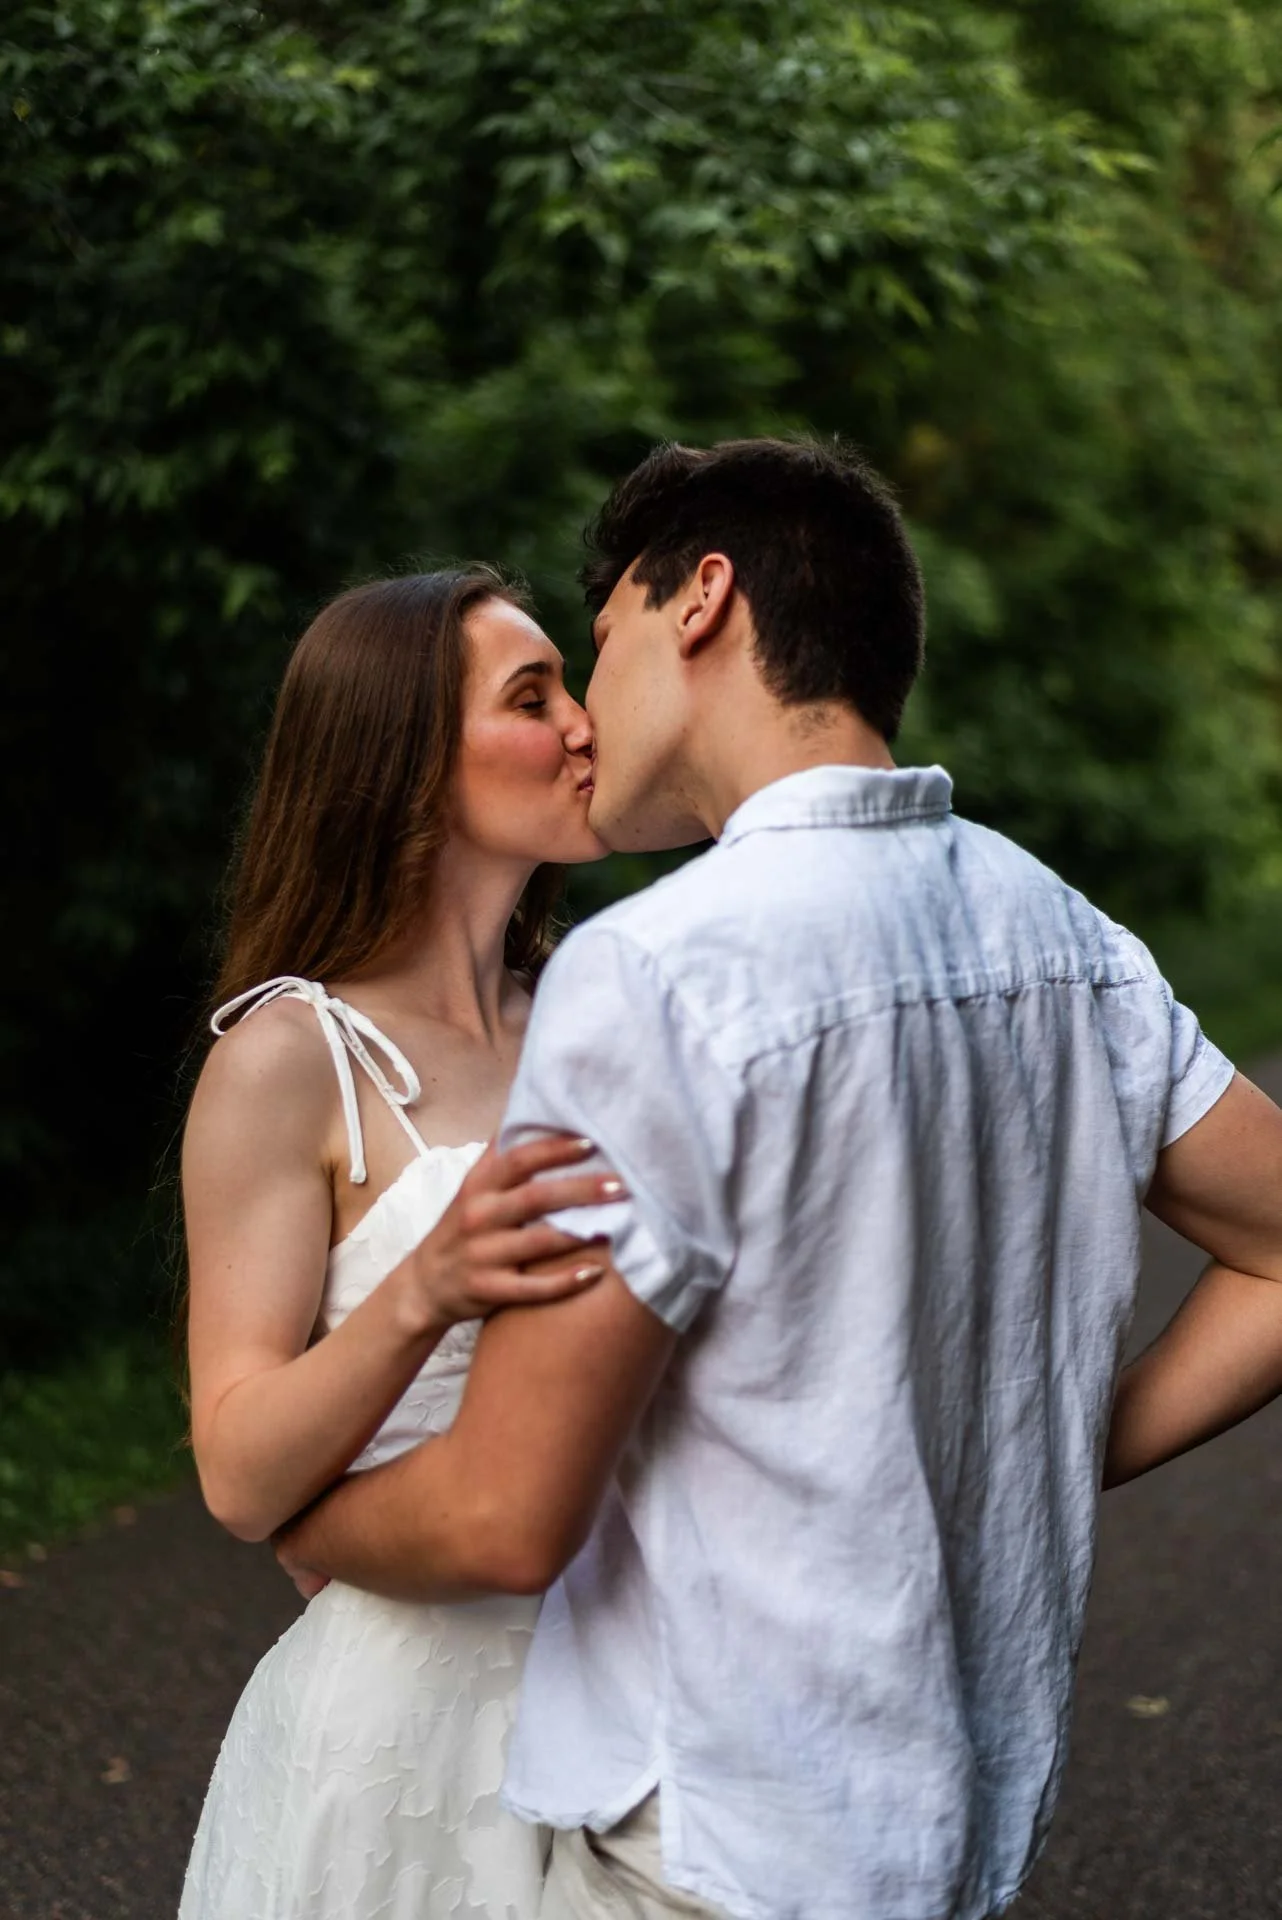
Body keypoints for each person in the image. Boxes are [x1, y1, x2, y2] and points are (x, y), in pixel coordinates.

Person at [276, 435, 1282, 1920]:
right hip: (958, 1830)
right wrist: (1044, 1446)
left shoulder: (654, 973)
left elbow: (503, 1518)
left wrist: (311, 1525)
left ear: (697, 598)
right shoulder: (1060, 936)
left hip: (709, 1839)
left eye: (596, 636)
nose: (586, 712)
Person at [179, 568, 622, 1920]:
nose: (587, 726)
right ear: (406, 758)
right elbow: (240, 1476)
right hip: (396, 1739)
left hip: (631, 1688)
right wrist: (422, 1288)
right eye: (532, 697)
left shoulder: (606, 1013)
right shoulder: (289, 1057)